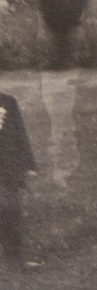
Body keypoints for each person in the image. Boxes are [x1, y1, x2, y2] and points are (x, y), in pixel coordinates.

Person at [0, 90, 38, 270]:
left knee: (10, 212)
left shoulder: (7, 101)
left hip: (6, 170)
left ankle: (14, 260)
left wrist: (28, 164)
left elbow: (20, 134)